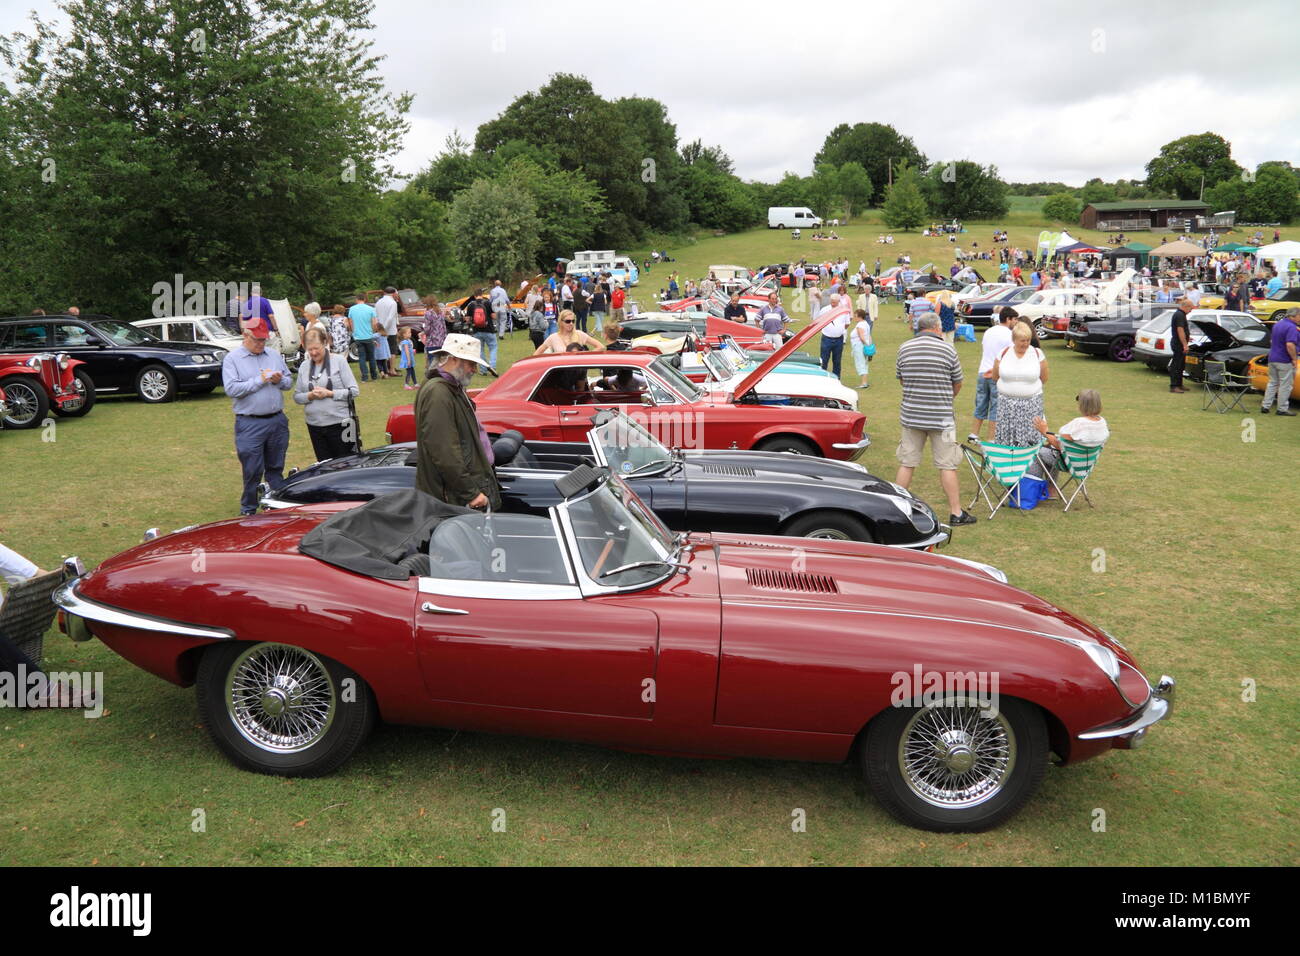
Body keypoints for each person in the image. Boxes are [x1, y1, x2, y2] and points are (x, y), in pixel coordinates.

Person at [895, 313, 976, 526]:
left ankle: (896, 509)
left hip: (912, 415)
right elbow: (957, 382)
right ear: (937, 328)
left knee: (907, 462)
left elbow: (902, 380)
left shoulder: (904, 348)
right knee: (947, 464)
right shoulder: (948, 349)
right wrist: (945, 398)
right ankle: (956, 512)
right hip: (942, 417)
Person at [414, 334, 502, 511]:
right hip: (453, 498)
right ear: (453, 359)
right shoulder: (438, 393)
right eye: (471, 363)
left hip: (459, 494)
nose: (474, 370)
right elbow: (444, 451)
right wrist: (470, 493)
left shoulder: (452, 387)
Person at [221, 315, 293, 515]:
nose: (261, 344)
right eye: (257, 340)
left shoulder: (273, 354)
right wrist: (259, 380)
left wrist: (279, 380)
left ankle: (277, 506)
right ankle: (249, 509)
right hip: (250, 423)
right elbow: (232, 389)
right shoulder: (233, 359)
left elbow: (288, 382)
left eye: (264, 340)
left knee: (276, 467)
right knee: (252, 469)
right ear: (245, 335)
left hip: (277, 420)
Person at [293, 327, 361, 460]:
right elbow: (297, 396)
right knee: (325, 469)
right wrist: (310, 396)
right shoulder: (304, 366)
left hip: (341, 424)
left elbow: (354, 391)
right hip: (315, 426)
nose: (313, 352)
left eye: (316, 348)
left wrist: (330, 393)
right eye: (309, 349)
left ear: (325, 342)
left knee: (347, 464)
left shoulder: (339, 361)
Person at [1029, 389, 1109, 493]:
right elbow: (1066, 441)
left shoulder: (1078, 424)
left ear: (1082, 405)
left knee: (1037, 453)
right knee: (1050, 451)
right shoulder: (1102, 423)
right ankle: (1051, 489)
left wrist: (1044, 431)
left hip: (1069, 463)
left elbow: (1059, 445)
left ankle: (1032, 490)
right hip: (1086, 464)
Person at [991, 321, 1048, 447]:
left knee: (1030, 437)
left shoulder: (1037, 353)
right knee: (1007, 437)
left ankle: (1032, 464)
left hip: (1031, 405)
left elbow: (1044, 378)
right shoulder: (1003, 353)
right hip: (1007, 406)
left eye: (1028, 340)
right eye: (1022, 340)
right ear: (1014, 339)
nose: (1026, 343)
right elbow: (995, 377)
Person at [971, 307, 1017, 442]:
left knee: (981, 403)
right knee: (996, 407)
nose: (1015, 322)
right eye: (1014, 319)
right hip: (997, 374)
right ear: (1008, 319)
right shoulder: (1010, 335)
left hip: (982, 371)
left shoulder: (989, 331)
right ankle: (991, 439)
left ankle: (974, 434)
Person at [1259, 307, 1300, 415]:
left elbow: (1272, 341)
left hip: (1273, 358)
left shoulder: (1277, 324)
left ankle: (1265, 405)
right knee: (1285, 385)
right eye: (1299, 316)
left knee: (1272, 383)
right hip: (1284, 360)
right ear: (1293, 316)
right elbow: (1290, 344)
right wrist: (1294, 359)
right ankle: (1282, 408)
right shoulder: (1292, 327)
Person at [535, 310, 604, 354]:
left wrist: (585, 356)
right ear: (561, 322)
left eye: (573, 321)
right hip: (561, 374)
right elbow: (537, 354)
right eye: (568, 321)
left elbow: (600, 346)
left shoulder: (579, 334)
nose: (571, 323)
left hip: (579, 374)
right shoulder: (553, 337)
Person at [348, 293, 378, 382]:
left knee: (362, 357)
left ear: (357, 299)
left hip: (358, 337)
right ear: (364, 299)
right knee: (372, 357)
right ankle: (374, 376)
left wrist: (354, 332)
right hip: (368, 336)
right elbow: (374, 323)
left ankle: (364, 377)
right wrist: (373, 332)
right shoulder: (371, 309)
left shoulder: (352, 309)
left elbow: (351, 322)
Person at [818, 296, 848, 377]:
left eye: (834, 302)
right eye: (831, 301)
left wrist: (838, 330)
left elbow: (847, 324)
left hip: (839, 340)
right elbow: (818, 321)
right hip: (826, 339)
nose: (832, 303)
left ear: (838, 301)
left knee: (837, 361)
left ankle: (836, 379)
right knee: (824, 360)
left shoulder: (843, 310)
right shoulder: (824, 310)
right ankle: (822, 378)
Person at [1168, 298, 1192, 393]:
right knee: (1177, 365)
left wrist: (1187, 338)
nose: (1191, 310)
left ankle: (1179, 384)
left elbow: (1182, 331)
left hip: (1179, 342)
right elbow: (1180, 330)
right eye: (1190, 308)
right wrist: (1185, 344)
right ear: (1186, 306)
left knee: (1181, 365)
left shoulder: (1181, 314)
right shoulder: (1179, 315)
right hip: (1178, 344)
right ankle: (1174, 386)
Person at [375, 286, 400, 377]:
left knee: (383, 350)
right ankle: (392, 370)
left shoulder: (378, 302)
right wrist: (384, 329)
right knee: (392, 350)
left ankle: (385, 369)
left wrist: (379, 329)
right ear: (393, 293)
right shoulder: (393, 303)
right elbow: (390, 318)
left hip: (380, 329)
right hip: (390, 330)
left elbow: (376, 316)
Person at [420, 295, 446, 374]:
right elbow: (444, 327)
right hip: (441, 341)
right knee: (439, 361)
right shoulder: (440, 312)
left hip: (432, 342)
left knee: (431, 362)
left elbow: (427, 329)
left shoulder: (428, 313)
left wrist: (423, 332)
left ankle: (431, 377)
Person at [850, 308, 873, 389]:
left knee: (860, 363)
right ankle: (865, 382)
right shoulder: (866, 324)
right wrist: (869, 345)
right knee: (864, 363)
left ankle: (864, 383)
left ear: (860, 317)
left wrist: (866, 345)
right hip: (864, 346)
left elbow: (862, 337)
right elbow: (869, 336)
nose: (854, 318)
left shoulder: (860, 325)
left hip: (859, 346)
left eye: (855, 316)